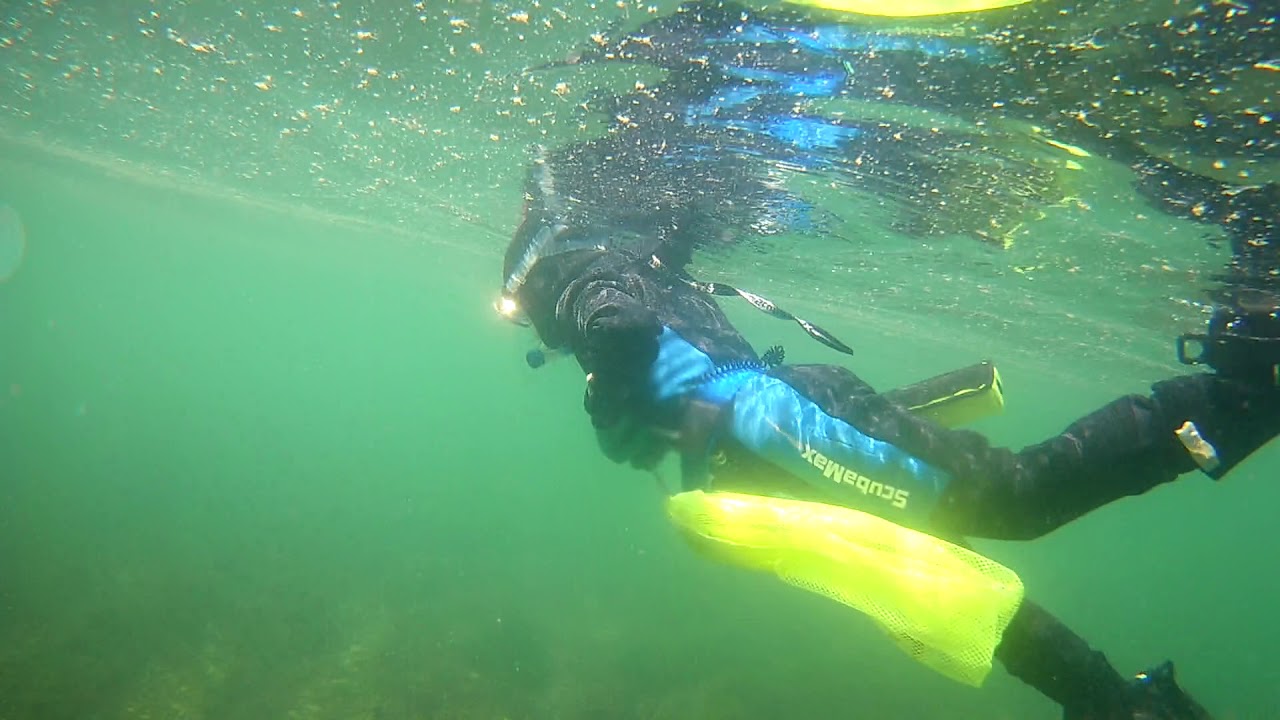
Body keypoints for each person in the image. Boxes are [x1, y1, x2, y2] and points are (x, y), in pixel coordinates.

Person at [497, 4, 1279, 717]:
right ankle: (1110, 701)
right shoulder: (593, 255)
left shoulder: (563, 274)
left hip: (773, 430)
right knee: (938, 575)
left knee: (1013, 501)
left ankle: (1248, 389)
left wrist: (622, 407)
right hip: (767, 447)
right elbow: (658, 280)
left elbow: (623, 324)